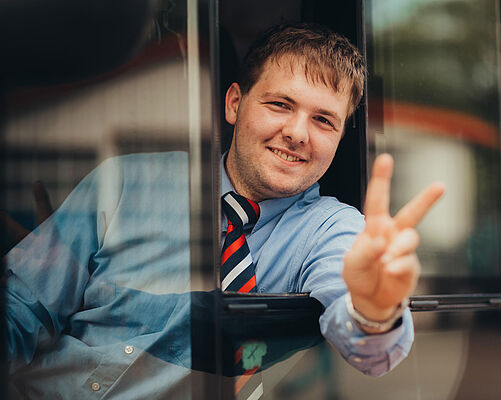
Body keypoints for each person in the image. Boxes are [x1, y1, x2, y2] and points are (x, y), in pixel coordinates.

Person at [3, 23, 444, 398]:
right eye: (280, 105)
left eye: (323, 120)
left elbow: (370, 349)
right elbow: (20, 308)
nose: (296, 133)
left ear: (339, 137)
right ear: (235, 104)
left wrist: (374, 309)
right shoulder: (123, 183)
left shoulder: (334, 230)